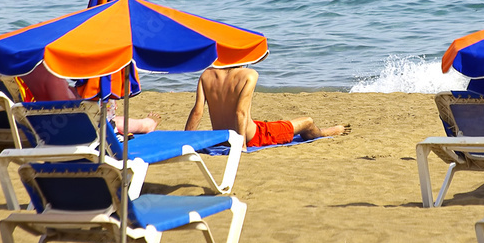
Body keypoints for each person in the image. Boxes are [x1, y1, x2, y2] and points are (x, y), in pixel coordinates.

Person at [184, 66, 350, 147]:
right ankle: (324, 132)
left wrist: (183, 142)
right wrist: (240, 147)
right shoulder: (249, 74)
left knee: (265, 123)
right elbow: (240, 112)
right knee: (307, 121)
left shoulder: (206, 75)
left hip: (222, 137)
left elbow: (197, 112)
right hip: (251, 137)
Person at [21, 62, 158, 135]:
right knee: (107, 120)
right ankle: (145, 125)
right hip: (62, 127)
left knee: (103, 112)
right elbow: (69, 108)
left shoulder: (27, 70)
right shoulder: (51, 75)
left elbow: (50, 95)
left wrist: (76, 92)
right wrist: (92, 101)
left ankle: (144, 124)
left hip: (39, 121)